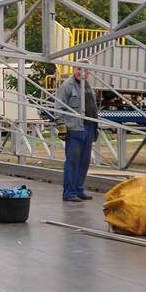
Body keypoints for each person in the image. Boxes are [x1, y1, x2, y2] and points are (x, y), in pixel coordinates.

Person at [52, 65, 98, 202]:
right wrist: (61, 126)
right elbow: (59, 107)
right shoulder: (67, 85)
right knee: (72, 161)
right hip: (74, 128)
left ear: (88, 72)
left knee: (84, 161)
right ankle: (69, 192)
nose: (81, 72)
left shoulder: (88, 86)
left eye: (84, 70)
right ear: (74, 70)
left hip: (89, 127)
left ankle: (78, 189)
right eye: (78, 69)